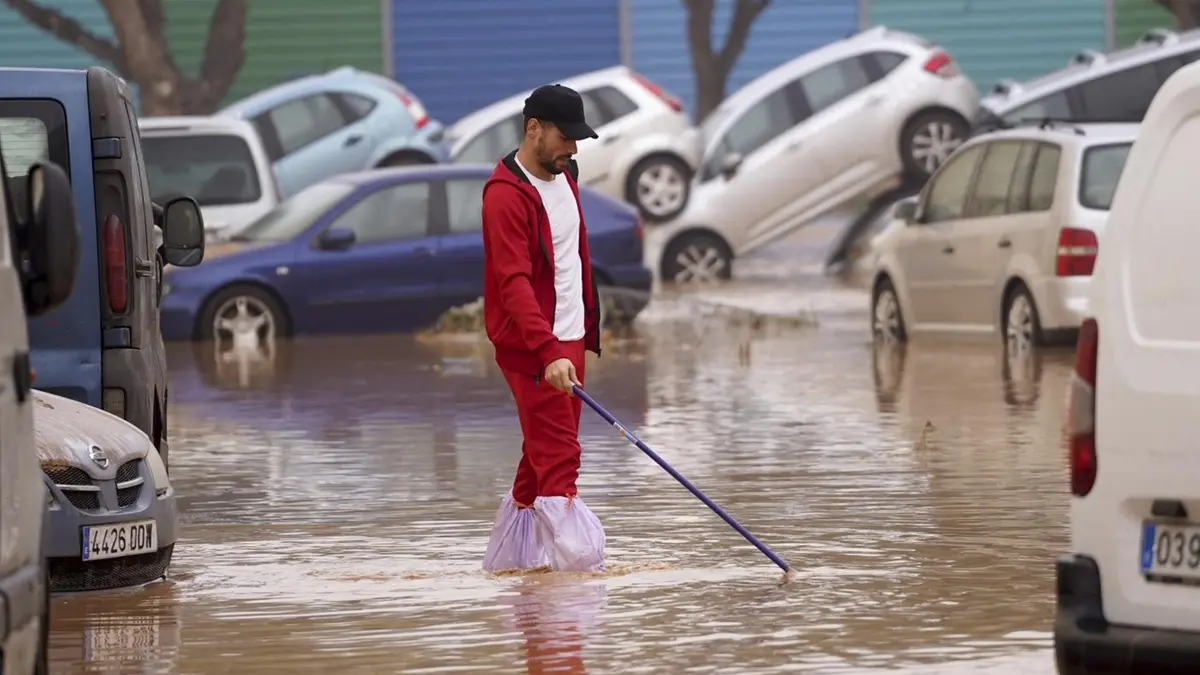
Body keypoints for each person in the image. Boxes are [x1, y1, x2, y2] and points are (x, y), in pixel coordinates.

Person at [479, 84, 606, 573]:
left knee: (539, 460)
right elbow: (512, 285)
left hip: (569, 339)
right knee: (560, 461)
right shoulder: (505, 198)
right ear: (533, 129)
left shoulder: (566, 173)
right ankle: (574, 602)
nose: (572, 149)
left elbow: (571, 258)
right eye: (565, 137)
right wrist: (548, 350)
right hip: (536, 349)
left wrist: (580, 334)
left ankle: (515, 572)